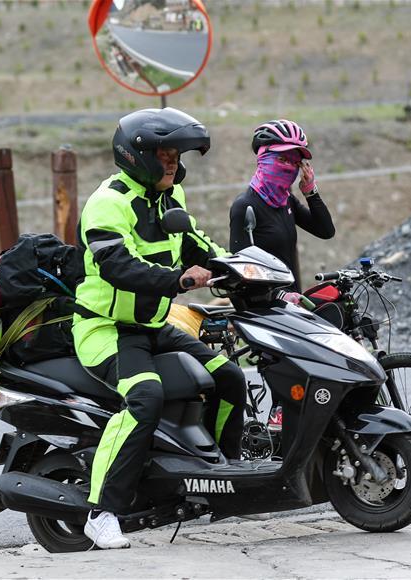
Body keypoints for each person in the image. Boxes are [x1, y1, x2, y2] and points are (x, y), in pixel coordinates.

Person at [74, 108, 246, 550]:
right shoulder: (107, 203)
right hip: (106, 328)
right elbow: (119, 268)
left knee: (228, 375)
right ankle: (101, 511)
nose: (173, 162)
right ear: (137, 156)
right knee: (144, 396)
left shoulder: (170, 198)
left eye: (176, 154)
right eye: (166, 153)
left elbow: (197, 243)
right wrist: (180, 280)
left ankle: (223, 478)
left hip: (153, 323)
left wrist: (242, 269)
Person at [229, 119, 335, 293]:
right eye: (282, 159)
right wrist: (279, 297)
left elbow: (326, 231)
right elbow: (240, 273)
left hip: (292, 308)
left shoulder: (287, 201)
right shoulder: (245, 206)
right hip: (265, 311)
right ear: (263, 159)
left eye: (295, 163)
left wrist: (310, 192)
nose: (289, 167)